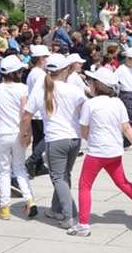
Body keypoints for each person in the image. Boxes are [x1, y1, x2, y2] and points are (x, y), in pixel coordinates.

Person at [69, 67, 132, 237]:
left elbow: (84, 130)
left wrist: (89, 139)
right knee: (123, 183)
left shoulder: (90, 104)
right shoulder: (118, 102)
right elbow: (126, 128)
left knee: (85, 186)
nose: (89, 84)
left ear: (98, 85)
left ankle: (83, 225)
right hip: (115, 151)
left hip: (97, 153)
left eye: (91, 81)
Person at [22, 53, 85, 229]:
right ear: (65, 70)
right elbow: (86, 110)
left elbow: (27, 114)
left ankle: (69, 215)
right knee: (65, 175)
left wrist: (24, 134)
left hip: (56, 139)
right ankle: (56, 208)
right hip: (74, 139)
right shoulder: (72, 89)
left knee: (58, 177)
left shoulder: (42, 90)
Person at [0, 55, 37, 220]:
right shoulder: (23, 88)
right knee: (19, 169)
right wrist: (27, 133)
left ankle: (4, 207)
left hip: (2, 132)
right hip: (18, 131)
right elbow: (24, 113)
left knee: (4, 171)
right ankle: (30, 199)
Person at [24, 44, 50, 177]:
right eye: (46, 57)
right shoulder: (40, 74)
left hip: (35, 111)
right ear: (40, 59)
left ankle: (38, 166)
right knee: (46, 137)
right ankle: (33, 160)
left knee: (38, 138)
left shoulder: (33, 73)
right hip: (40, 111)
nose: (47, 59)